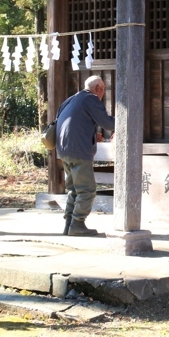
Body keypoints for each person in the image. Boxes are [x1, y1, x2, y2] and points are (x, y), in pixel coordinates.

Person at [55, 75, 115, 236]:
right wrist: (125, 121)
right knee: (87, 190)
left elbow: (71, 124)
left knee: (74, 189)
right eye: (103, 91)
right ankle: (77, 224)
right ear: (98, 89)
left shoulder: (69, 100)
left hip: (64, 151)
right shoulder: (91, 99)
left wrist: (91, 135)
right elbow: (108, 123)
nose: (102, 95)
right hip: (79, 152)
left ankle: (69, 224)